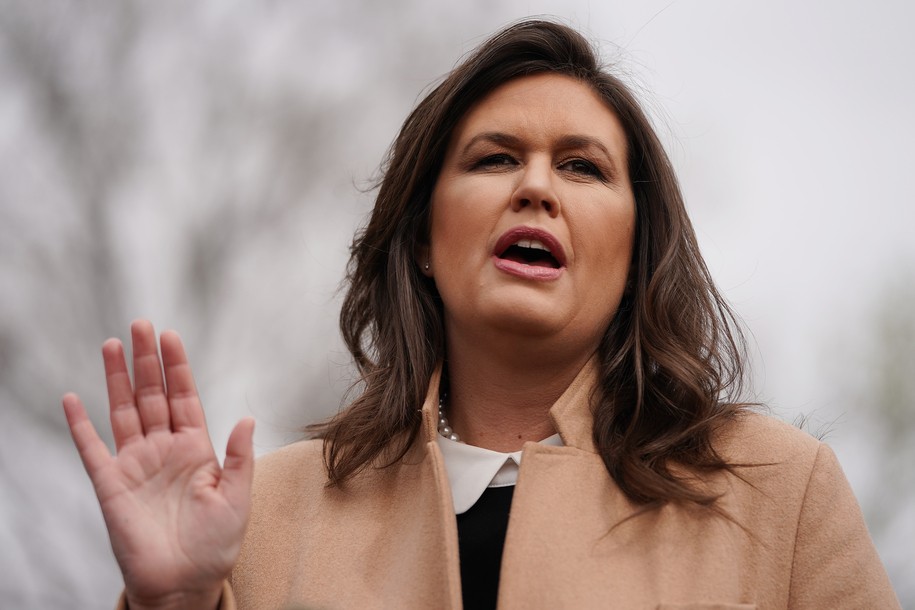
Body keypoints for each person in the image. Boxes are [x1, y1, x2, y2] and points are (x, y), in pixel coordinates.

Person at [63, 19, 899, 610]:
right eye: (495, 159)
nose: (534, 186)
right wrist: (173, 604)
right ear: (424, 237)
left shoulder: (780, 494)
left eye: (581, 168)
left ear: (634, 250)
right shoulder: (262, 518)